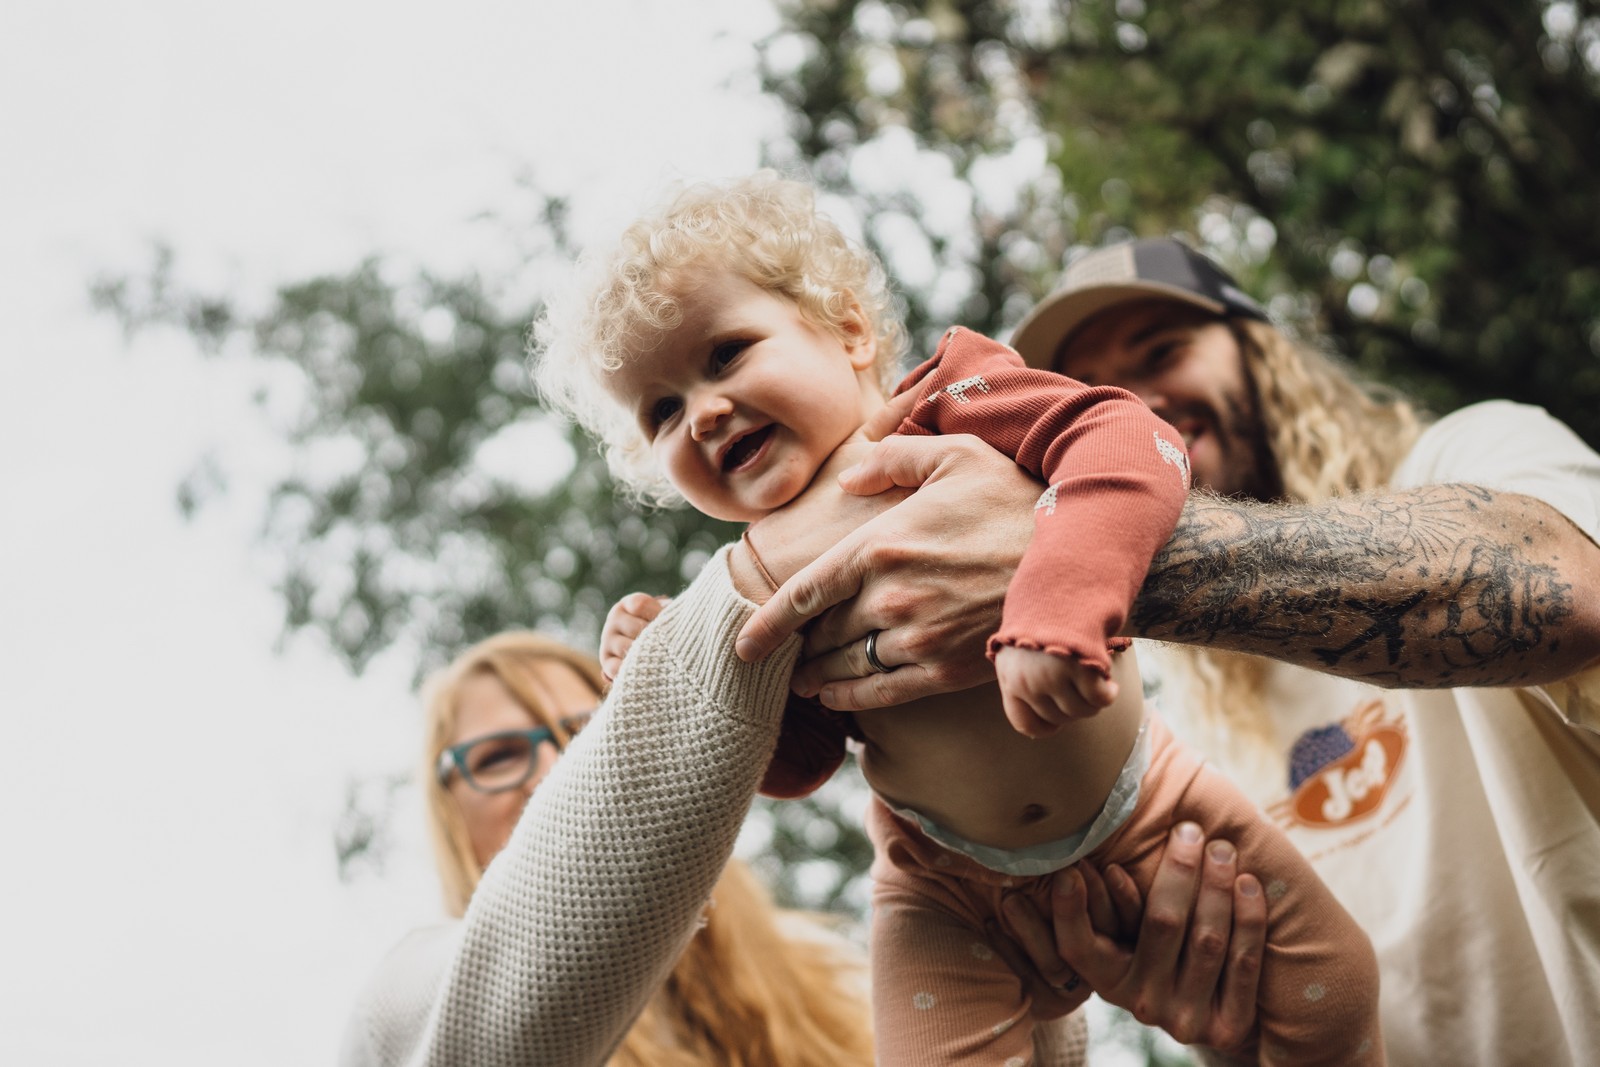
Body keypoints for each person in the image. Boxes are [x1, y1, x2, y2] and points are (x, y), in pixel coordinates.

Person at [535, 174, 1382, 1066]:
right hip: (943, 885)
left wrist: (1055, 607)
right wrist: (685, 682)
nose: (702, 413)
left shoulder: (955, 402)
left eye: (726, 354)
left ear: (849, 329)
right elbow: (804, 757)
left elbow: (1130, 440)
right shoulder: (762, 580)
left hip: (1150, 807)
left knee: (1336, 986)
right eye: (662, 411)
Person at [736, 236, 1600, 1066]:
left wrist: (1065, 558)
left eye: (1164, 348)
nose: (1139, 400)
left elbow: (1566, 585)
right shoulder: (1156, 708)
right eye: (1101, 386)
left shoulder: (1475, 452)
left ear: (1261, 350)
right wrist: (1225, 1035)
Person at [339, 625, 882, 1066]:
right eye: (499, 757)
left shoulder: (836, 976)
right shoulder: (401, 1012)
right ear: (448, 812)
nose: (552, 772)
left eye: (586, 733)